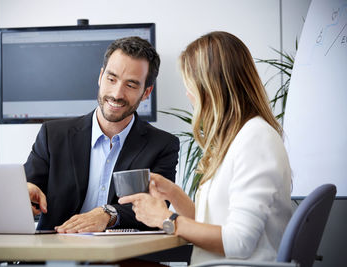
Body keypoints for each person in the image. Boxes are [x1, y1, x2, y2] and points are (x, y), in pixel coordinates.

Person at [119, 31, 292, 265]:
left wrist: (165, 218)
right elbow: (213, 227)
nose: (188, 95)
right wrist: (174, 194)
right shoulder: (238, 138)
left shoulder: (256, 139)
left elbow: (238, 242)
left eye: (189, 85)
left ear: (210, 88)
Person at [25, 36, 180, 233]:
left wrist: (109, 214)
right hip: (56, 253)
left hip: (124, 258)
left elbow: (157, 208)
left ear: (146, 92)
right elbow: (27, 188)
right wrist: (25, 193)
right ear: (100, 77)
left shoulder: (163, 145)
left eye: (131, 85)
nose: (117, 93)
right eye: (111, 79)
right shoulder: (53, 135)